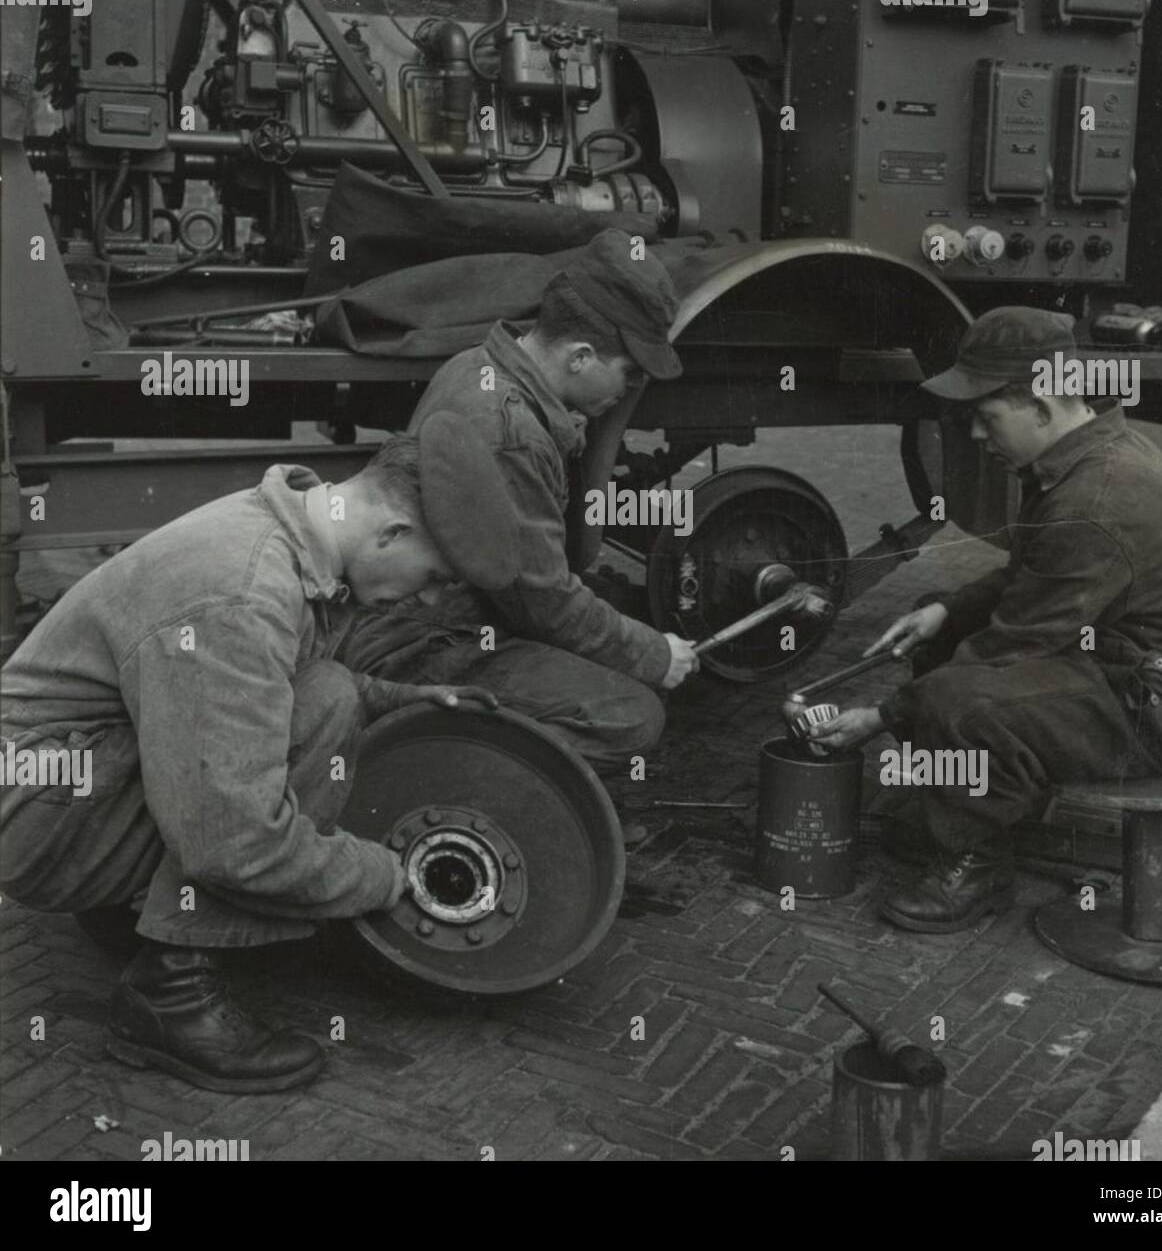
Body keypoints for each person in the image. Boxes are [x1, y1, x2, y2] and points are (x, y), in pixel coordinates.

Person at [0, 415, 519, 1092]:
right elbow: (233, 840)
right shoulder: (240, 593)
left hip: (66, 775)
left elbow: (275, 683)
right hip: (37, 820)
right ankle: (171, 997)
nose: (427, 599)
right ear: (392, 533)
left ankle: (134, 907)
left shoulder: (291, 531)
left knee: (328, 696)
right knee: (291, 744)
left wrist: (402, 697)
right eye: (434, 577)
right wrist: (386, 876)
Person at [809, 307, 1162, 932]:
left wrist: (881, 716)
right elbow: (1033, 574)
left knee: (956, 700)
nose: (976, 433)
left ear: (1042, 403)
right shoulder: (1079, 458)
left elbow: (1015, 644)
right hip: (1101, 663)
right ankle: (968, 802)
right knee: (939, 637)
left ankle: (975, 857)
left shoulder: (1096, 497)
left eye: (987, 416)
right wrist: (944, 610)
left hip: (1142, 706)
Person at [335, 230, 701, 839]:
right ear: (580, 356)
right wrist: (654, 653)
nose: (627, 390)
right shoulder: (512, 431)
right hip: (423, 645)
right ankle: (423, 784)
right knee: (633, 717)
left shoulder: (477, 365)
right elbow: (546, 603)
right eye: (628, 372)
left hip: (419, 618)